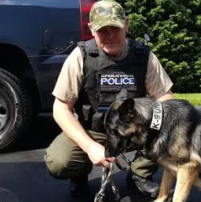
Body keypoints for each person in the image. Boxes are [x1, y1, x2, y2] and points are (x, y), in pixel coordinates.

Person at [44, 0, 174, 200]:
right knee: (58, 161)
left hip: (132, 131)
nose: (111, 35)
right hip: (94, 131)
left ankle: (139, 175)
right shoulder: (80, 57)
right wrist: (89, 146)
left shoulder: (143, 56)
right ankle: (79, 176)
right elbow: (61, 108)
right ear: (91, 30)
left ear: (126, 25)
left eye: (116, 28)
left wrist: (157, 129)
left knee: (171, 128)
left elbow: (166, 98)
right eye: (104, 30)